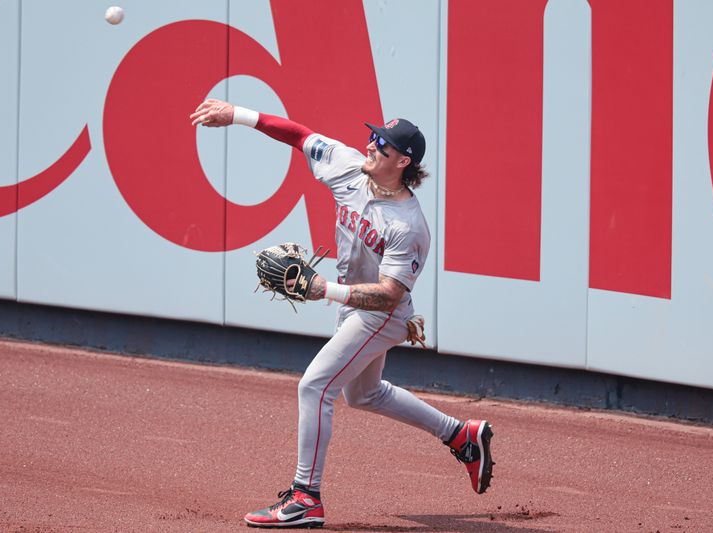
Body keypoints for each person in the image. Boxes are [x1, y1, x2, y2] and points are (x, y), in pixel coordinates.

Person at [190, 99, 494, 529]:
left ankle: (304, 498)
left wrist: (324, 290)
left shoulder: (408, 225)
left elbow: (389, 296)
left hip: (381, 316)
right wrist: (237, 114)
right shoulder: (347, 165)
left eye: (383, 145)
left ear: (403, 161)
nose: (371, 144)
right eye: (374, 137)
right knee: (363, 394)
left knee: (314, 386)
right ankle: (459, 434)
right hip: (356, 306)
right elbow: (297, 133)